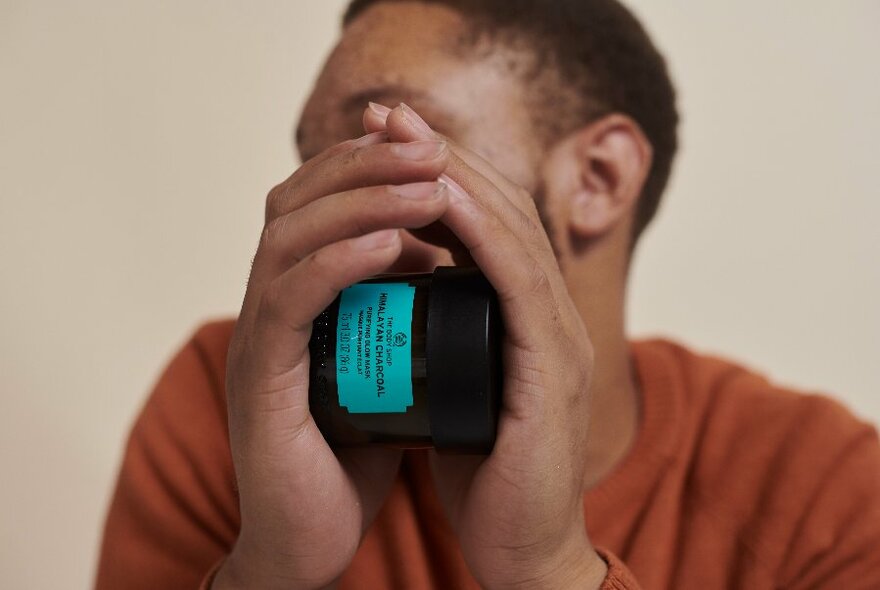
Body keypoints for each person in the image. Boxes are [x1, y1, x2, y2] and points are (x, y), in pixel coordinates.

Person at [95, 1, 880, 588]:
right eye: (315, 168)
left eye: (383, 147)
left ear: (597, 180)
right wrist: (269, 572)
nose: (323, 217)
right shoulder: (225, 397)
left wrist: (550, 571)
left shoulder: (822, 490)